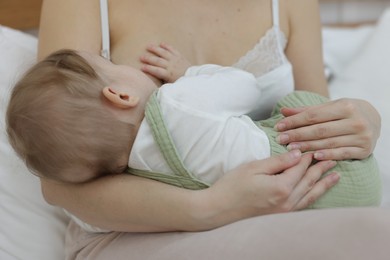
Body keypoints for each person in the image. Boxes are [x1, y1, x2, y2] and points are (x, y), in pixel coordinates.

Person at [35, 0, 388, 259]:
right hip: (132, 233)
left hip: (277, 215)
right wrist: (212, 206)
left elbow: (315, 130)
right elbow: (56, 185)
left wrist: (367, 119)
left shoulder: (291, 4)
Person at [7, 46, 381, 220]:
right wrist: (189, 73)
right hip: (329, 174)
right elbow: (244, 86)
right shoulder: (175, 101)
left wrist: (367, 117)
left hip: (295, 203)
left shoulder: (134, 167)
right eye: (112, 61)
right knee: (293, 101)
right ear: (121, 95)